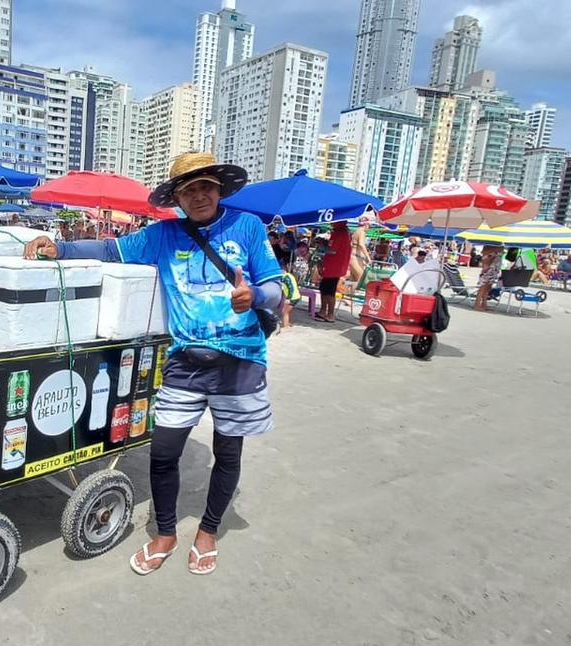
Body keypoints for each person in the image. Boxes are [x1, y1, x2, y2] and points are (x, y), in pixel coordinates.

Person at [22, 152, 280, 576]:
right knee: (162, 453)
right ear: (177, 197)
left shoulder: (247, 227)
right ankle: (165, 532)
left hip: (240, 359)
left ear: (219, 189)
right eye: (189, 189)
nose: (199, 195)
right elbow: (110, 248)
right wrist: (61, 245)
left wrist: (256, 296)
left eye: (206, 187)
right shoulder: (164, 235)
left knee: (228, 451)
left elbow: (275, 286)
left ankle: (208, 531)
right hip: (185, 362)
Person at [318, 220, 352, 322]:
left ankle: (330, 314)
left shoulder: (339, 233)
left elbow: (332, 250)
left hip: (334, 267)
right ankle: (323, 311)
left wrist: (323, 246)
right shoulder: (343, 233)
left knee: (329, 291)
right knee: (324, 288)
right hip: (334, 266)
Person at [475, 246, 502, 311]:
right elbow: (485, 258)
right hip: (488, 270)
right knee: (482, 288)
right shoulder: (489, 247)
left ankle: (484, 304)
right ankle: (477, 305)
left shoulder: (497, 247)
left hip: (493, 271)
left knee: (487, 289)